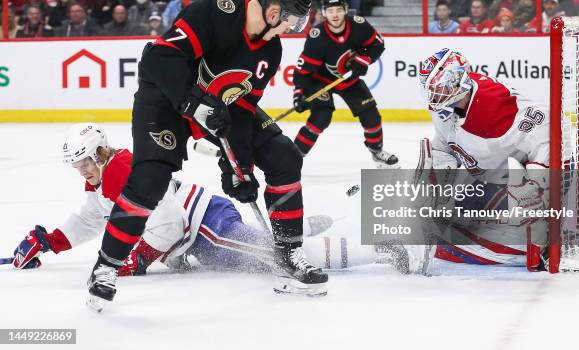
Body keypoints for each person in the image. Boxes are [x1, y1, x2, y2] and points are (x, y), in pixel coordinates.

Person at [85, 0, 327, 311]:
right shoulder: (219, 10)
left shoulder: (270, 53)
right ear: (274, 12)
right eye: (293, 21)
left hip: (216, 108)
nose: (292, 29)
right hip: (166, 100)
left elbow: (241, 110)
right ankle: (105, 268)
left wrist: (236, 167)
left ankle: (288, 254)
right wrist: (190, 103)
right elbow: (158, 57)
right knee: (149, 180)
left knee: (284, 156)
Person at [12, 123, 352, 279]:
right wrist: (48, 242)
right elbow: (89, 219)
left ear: (100, 153)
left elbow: (170, 219)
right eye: (77, 165)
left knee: (280, 258)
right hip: (198, 234)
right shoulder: (106, 177)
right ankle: (304, 226)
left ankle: (386, 249)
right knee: (263, 250)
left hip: (205, 227)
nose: (82, 170)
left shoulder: (119, 172)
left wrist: (141, 258)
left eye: (85, 161)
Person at [417, 48, 550, 268]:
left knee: (512, 249)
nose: (433, 95)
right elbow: (443, 148)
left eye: (437, 88)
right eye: (429, 89)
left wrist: (537, 187)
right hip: (485, 182)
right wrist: (437, 190)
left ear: (456, 82)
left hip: (513, 188)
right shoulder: (445, 106)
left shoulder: (497, 107)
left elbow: (547, 130)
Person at [292, 0, 398, 167]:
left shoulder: (359, 26)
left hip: (349, 80)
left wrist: (363, 60)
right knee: (321, 116)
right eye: (331, 10)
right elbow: (303, 70)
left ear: (346, 10)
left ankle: (377, 151)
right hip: (320, 82)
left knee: (371, 116)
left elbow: (377, 44)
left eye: (339, 10)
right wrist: (298, 94)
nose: (335, 14)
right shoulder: (317, 36)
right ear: (324, 12)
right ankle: (294, 157)